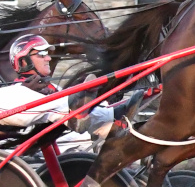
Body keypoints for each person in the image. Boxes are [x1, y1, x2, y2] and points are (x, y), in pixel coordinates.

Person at [0, 34, 142, 132]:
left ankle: (108, 116)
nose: (49, 58)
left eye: (47, 54)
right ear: (23, 61)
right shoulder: (17, 91)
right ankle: (76, 109)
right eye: (42, 54)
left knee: (64, 98)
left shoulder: (51, 87)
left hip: (60, 140)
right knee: (15, 93)